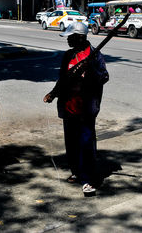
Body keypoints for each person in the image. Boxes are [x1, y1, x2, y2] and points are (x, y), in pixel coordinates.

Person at [43, 22, 109, 196]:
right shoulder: (68, 55)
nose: (68, 41)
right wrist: (53, 93)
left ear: (80, 37)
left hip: (86, 107)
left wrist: (91, 69)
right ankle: (76, 171)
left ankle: (88, 179)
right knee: (71, 142)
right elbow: (64, 79)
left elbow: (104, 77)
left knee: (86, 143)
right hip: (69, 106)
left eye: (70, 37)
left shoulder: (95, 56)